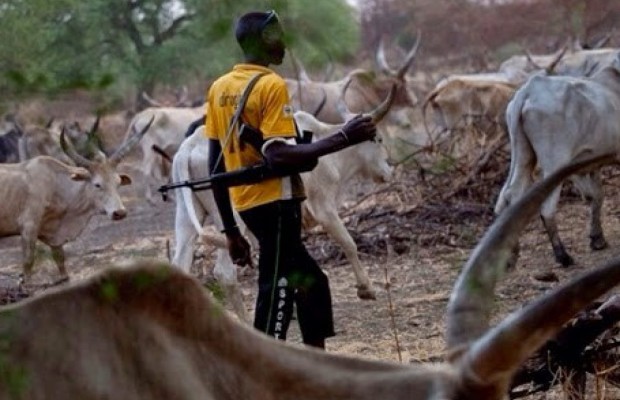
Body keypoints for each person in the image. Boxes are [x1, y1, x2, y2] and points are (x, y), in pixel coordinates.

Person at [205, 10, 378, 350]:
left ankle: (314, 364)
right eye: (278, 35)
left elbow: (216, 164)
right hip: (277, 203)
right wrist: (345, 136)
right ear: (264, 40)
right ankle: (265, 364)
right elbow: (278, 156)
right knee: (277, 290)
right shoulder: (270, 85)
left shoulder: (220, 88)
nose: (284, 42)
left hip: (249, 205)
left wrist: (230, 230)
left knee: (312, 283)